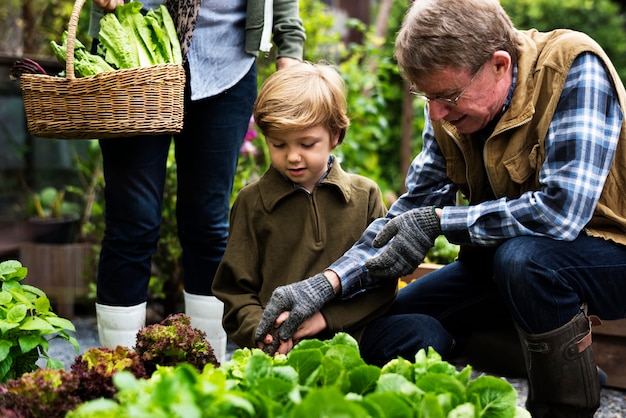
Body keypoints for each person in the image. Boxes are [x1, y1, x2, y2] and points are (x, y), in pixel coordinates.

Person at [255, 0, 626, 416]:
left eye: (448, 96)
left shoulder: (574, 66)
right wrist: (327, 285)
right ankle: (555, 364)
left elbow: (560, 213)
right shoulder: (449, 111)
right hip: (507, 263)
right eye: (427, 97)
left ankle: (564, 405)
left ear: (499, 65)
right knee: (398, 317)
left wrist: (440, 221)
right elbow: (409, 213)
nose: (437, 114)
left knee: (523, 260)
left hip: (611, 253)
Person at [89, 0, 305, 364]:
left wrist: (291, 50)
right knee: (132, 223)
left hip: (227, 60)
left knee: (208, 224)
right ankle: (118, 377)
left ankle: (205, 373)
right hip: (132, 53)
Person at [211, 62, 451, 360]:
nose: (293, 156)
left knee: (426, 332)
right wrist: (267, 335)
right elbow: (236, 292)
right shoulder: (251, 203)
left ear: (335, 136)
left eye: (307, 144)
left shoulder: (365, 195)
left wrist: (325, 320)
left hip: (357, 338)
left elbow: (383, 282)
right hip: (285, 347)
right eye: (279, 144)